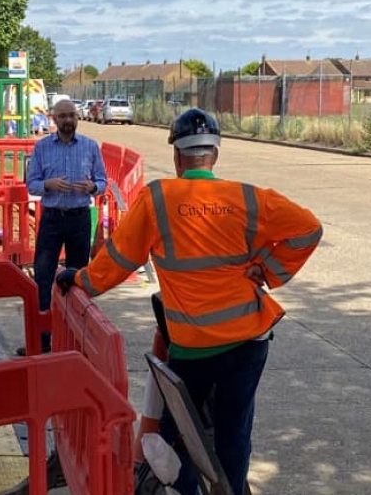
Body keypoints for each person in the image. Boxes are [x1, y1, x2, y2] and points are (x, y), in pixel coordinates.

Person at [56, 108, 322, 495]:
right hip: (249, 341)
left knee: (170, 435)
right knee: (234, 434)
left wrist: (77, 279)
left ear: (178, 157)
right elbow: (308, 230)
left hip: (193, 346)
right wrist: (268, 270)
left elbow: (119, 259)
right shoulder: (248, 198)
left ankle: (184, 487)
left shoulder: (158, 200)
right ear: (214, 155)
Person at [17, 98, 106, 356]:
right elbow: (31, 183)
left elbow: (102, 181)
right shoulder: (43, 147)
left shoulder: (90, 147)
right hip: (53, 218)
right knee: (43, 277)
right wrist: (49, 184)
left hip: (79, 218)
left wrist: (93, 187)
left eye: (72, 116)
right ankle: (42, 339)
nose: (68, 120)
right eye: (63, 116)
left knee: (77, 279)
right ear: (53, 119)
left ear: (77, 118)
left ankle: (77, 342)